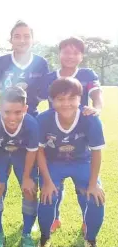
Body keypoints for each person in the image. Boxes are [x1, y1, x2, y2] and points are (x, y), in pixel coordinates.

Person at [38, 36, 103, 233]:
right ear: (59, 54)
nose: (70, 56)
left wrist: (96, 108)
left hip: (78, 131)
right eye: (66, 51)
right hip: (53, 136)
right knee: (53, 188)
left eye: (75, 52)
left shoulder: (87, 73)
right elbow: (34, 98)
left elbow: (96, 95)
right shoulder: (49, 77)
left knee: (85, 189)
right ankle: (54, 219)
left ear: (82, 56)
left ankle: (87, 221)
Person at [0, 86, 39, 247]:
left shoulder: (32, 124)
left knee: (30, 190)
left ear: (25, 108)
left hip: (22, 155)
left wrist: (26, 178)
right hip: (0, 154)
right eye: (7, 112)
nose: (12, 117)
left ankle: (26, 233)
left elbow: (33, 152)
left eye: (18, 112)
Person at [0, 20, 49, 117]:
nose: (22, 41)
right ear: (11, 40)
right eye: (17, 36)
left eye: (26, 36)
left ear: (33, 40)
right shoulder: (1, 61)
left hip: (31, 114)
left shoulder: (41, 63)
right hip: (5, 116)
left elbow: (44, 92)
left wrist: (31, 101)